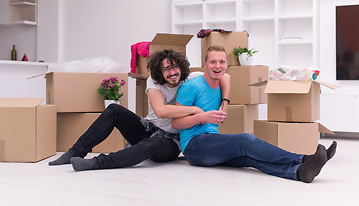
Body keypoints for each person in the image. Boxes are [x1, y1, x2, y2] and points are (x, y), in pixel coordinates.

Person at [172, 46, 337, 183]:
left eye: (221, 62)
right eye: (213, 62)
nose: (217, 66)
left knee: (250, 158)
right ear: (205, 64)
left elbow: (226, 78)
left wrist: (225, 102)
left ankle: (300, 172)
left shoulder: (221, 83)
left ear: (227, 65)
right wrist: (203, 117)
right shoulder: (191, 86)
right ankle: (303, 158)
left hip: (212, 141)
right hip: (195, 147)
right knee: (246, 140)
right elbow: (175, 123)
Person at [48, 49, 230, 171]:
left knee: (153, 145)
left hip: (171, 143)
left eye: (175, 67)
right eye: (166, 69)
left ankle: (96, 163)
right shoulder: (154, 81)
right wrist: (196, 110)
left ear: (181, 67)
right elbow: (160, 111)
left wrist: (225, 101)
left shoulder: (191, 78)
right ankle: (75, 152)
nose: (172, 72)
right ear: (160, 72)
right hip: (147, 129)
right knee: (114, 109)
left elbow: (226, 76)